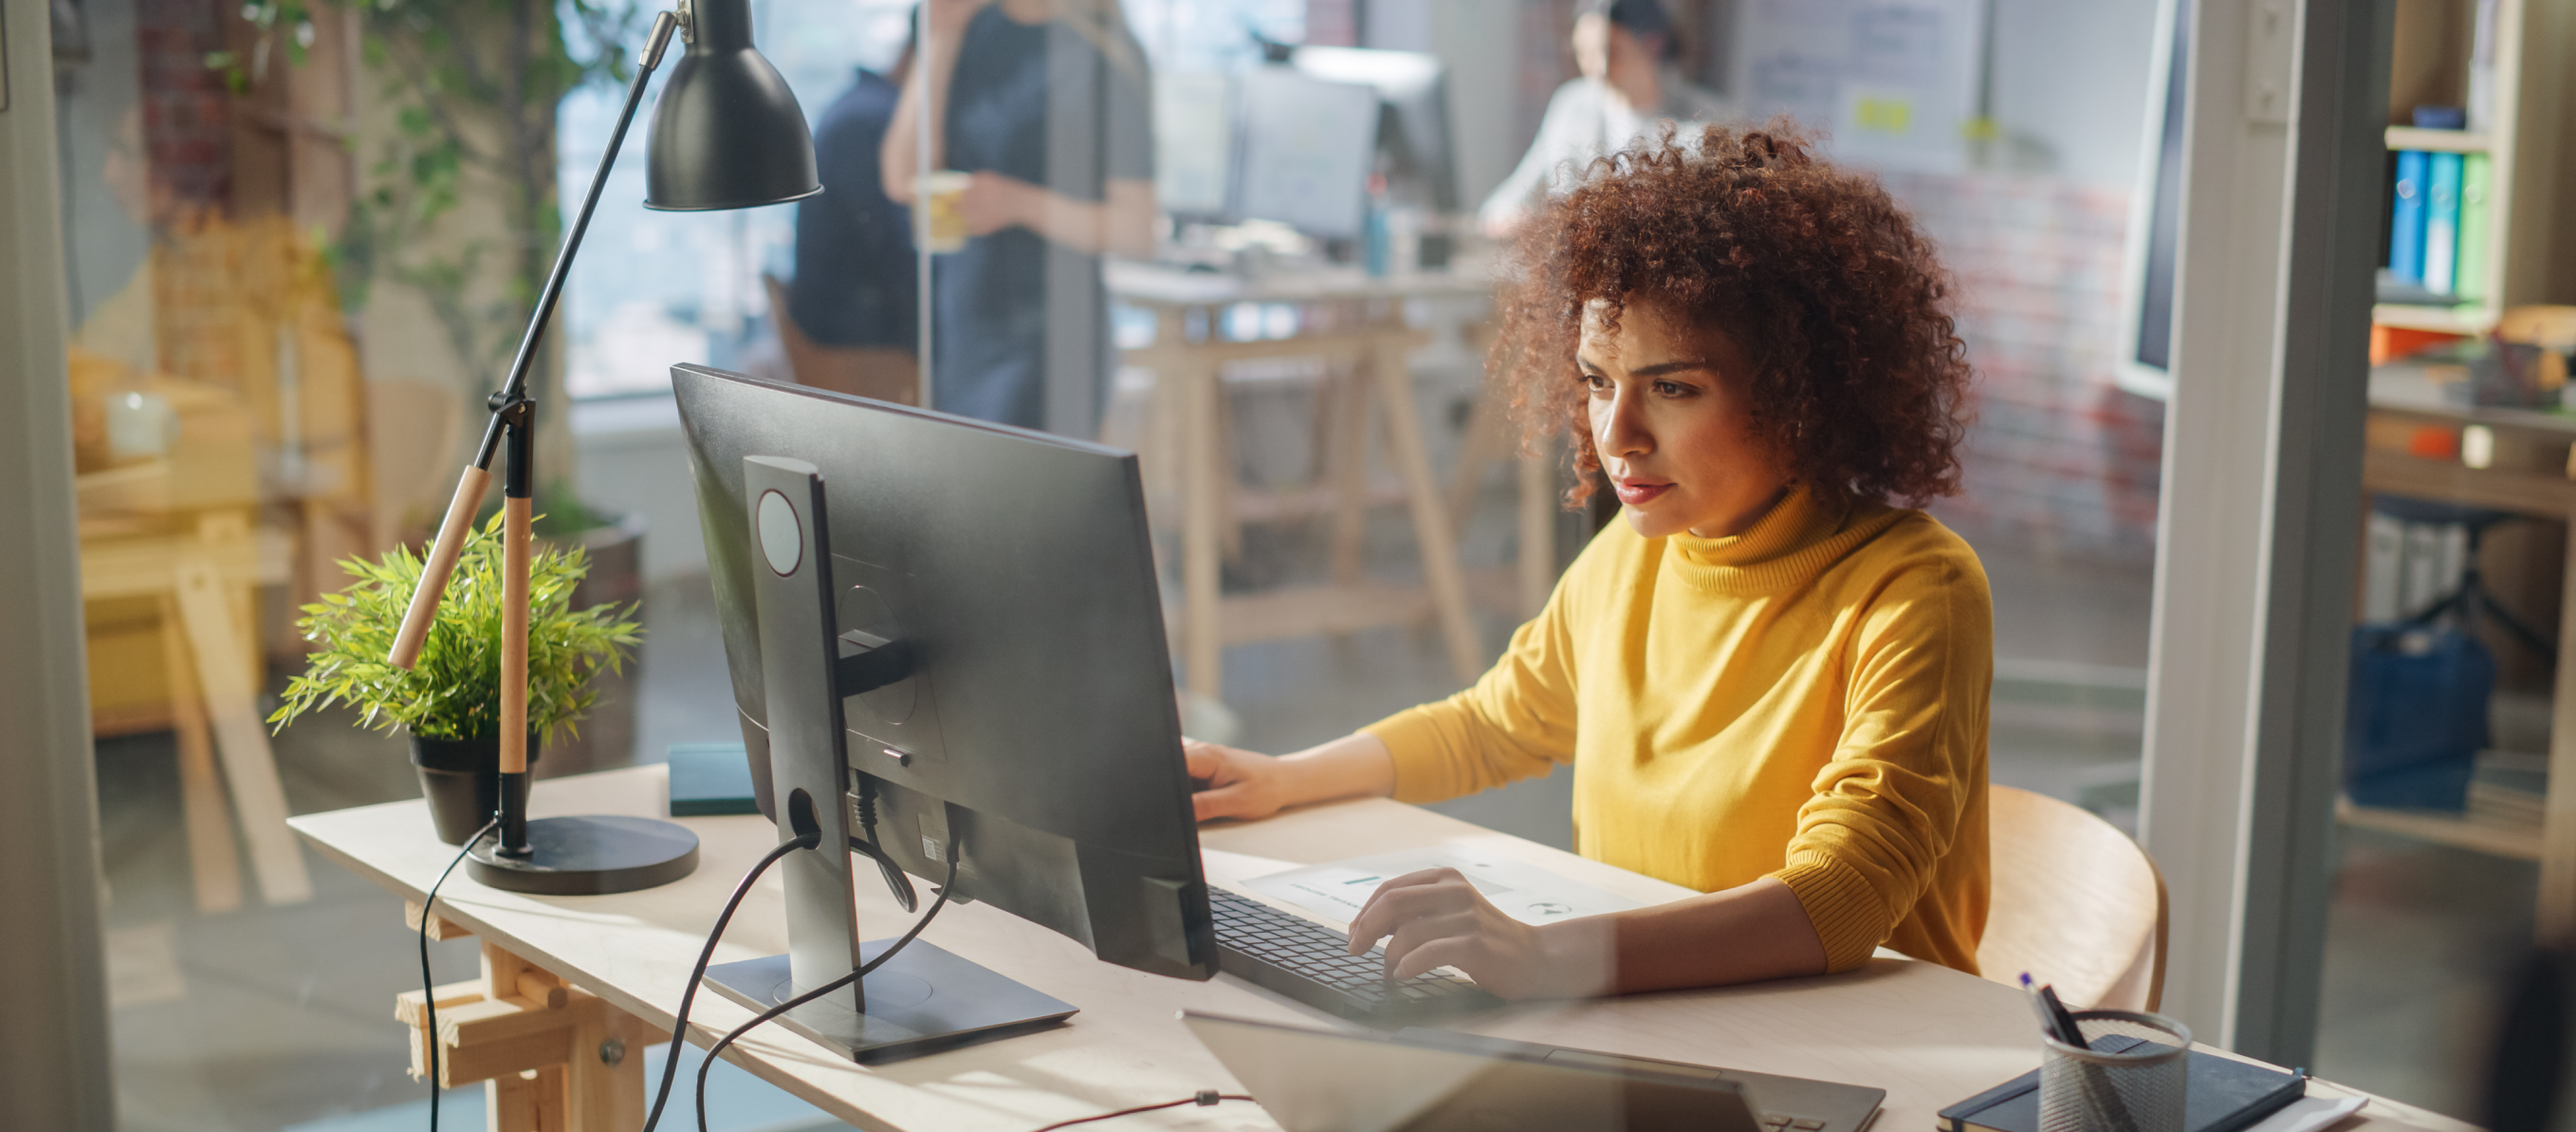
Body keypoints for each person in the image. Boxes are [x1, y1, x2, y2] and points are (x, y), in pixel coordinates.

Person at [1187, 124, 1990, 999]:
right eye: (1599, 380)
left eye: (1673, 388)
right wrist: (1280, 777)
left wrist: (1549, 958)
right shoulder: (1638, 552)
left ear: (1803, 394)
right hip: (1651, 1023)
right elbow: (1493, 723)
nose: (1617, 437)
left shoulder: (1913, 590)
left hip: (1867, 1065)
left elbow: (1843, 896)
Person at [880, 0, 1155, 436]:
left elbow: (1136, 228)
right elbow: (903, 178)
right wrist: (942, 37)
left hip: (1049, 338)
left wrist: (1018, 204)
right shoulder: (971, 32)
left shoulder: (1101, 51)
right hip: (966, 323)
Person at [1479, 0, 1735, 239]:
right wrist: (1509, 217)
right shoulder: (1573, 106)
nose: (1597, 70)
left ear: (1653, 43)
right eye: (1584, 54)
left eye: (1611, 52)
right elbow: (1516, 195)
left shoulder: (1707, 121)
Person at [784, 39, 920, 401]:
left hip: (838, 336)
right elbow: (898, 255)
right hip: (858, 355)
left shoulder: (858, 105)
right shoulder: (872, 122)